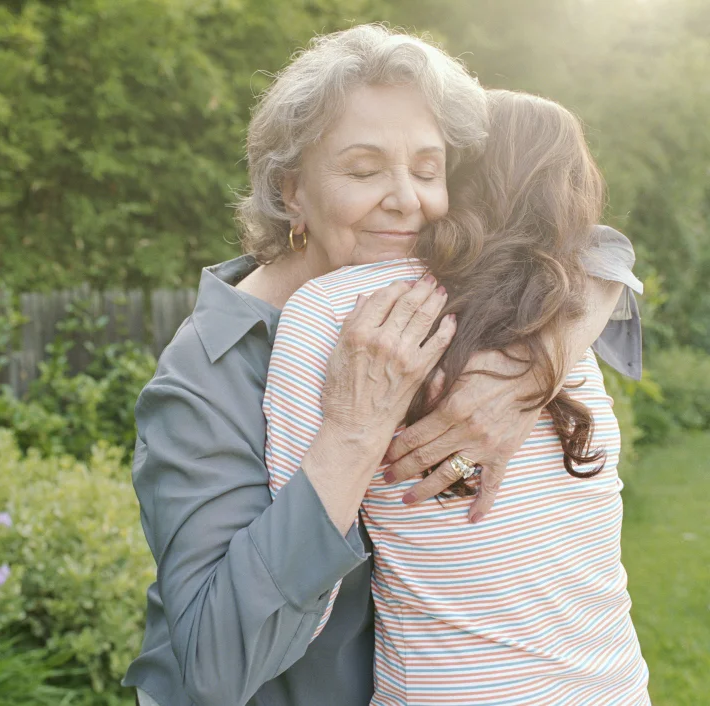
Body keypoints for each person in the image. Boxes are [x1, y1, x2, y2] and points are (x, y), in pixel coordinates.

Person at [123, 25, 643, 706]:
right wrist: (352, 435)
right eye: (364, 170)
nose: (408, 200)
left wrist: (529, 372)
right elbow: (210, 671)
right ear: (292, 193)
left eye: (429, 170)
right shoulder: (207, 374)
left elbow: (596, 251)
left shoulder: (431, 287)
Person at [265, 89, 649, 705]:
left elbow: (291, 565)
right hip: (615, 685)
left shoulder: (336, 311)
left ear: (455, 173)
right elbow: (605, 249)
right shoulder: (567, 322)